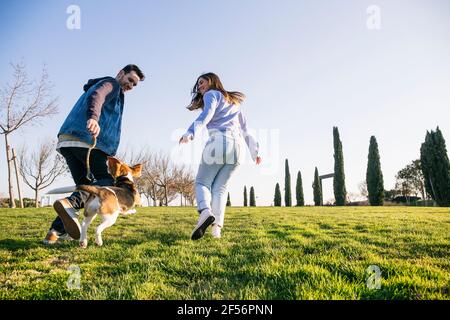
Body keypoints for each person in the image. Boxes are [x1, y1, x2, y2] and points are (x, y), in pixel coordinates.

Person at [43, 64, 145, 245]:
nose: (130, 85)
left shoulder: (111, 90)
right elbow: (97, 95)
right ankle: (69, 205)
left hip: (68, 142)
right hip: (88, 142)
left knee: (86, 188)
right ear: (121, 73)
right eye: (130, 80)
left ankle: (55, 232)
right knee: (105, 182)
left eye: (134, 85)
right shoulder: (111, 84)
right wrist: (93, 118)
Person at [180, 73, 261, 240]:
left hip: (219, 141)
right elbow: (246, 130)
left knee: (202, 182)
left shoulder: (212, 94)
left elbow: (206, 114)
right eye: (198, 85)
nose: (200, 87)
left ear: (211, 81)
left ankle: (204, 212)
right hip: (238, 148)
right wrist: (255, 151)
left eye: (202, 83)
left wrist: (190, 132)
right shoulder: (234, 101)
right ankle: (217, 229)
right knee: (220, 188)